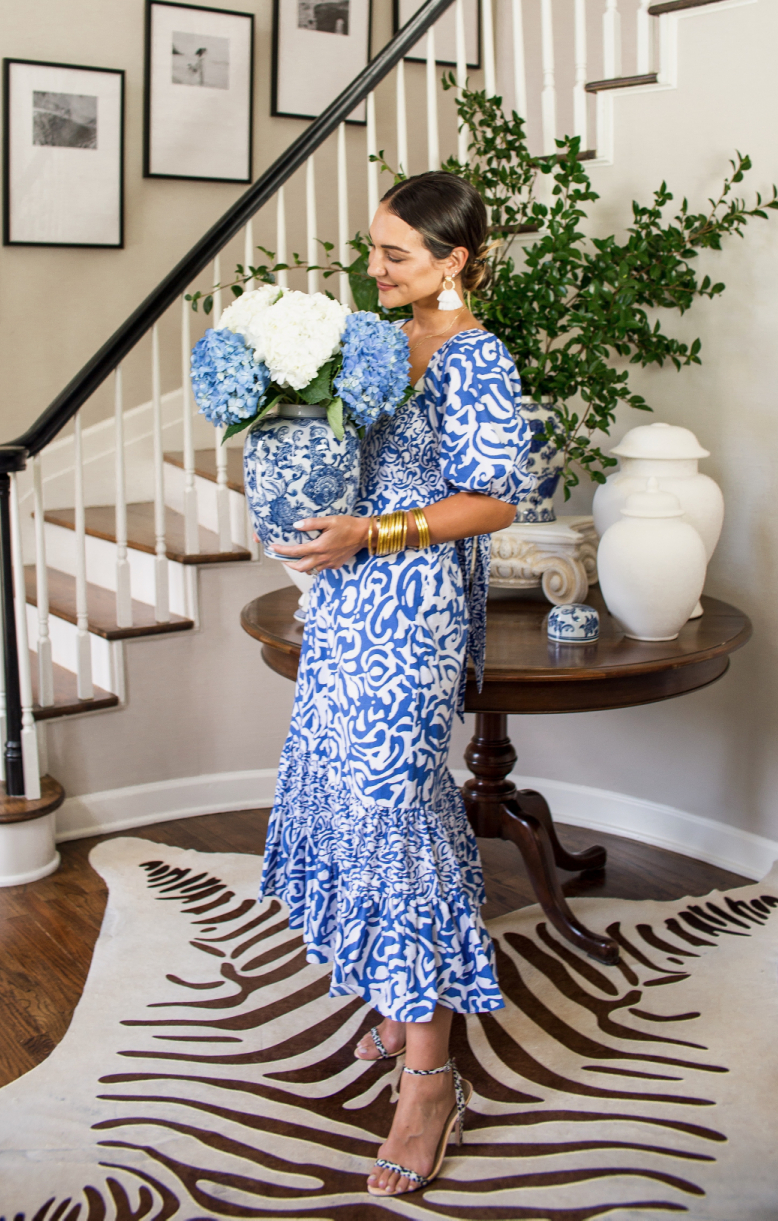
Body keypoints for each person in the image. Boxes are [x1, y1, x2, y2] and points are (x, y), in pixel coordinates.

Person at [263, 170, 533, 1196]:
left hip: (412, 613)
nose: (372, 269)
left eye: (396, 256)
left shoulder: (476, 356)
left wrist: (374, 533)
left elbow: (496, 501)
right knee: (348, 797)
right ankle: (393, 999)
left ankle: (429, 1081)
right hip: (344, 603)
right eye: (373, 249)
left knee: (396, 814)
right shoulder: (375, 346)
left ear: (454, 261)